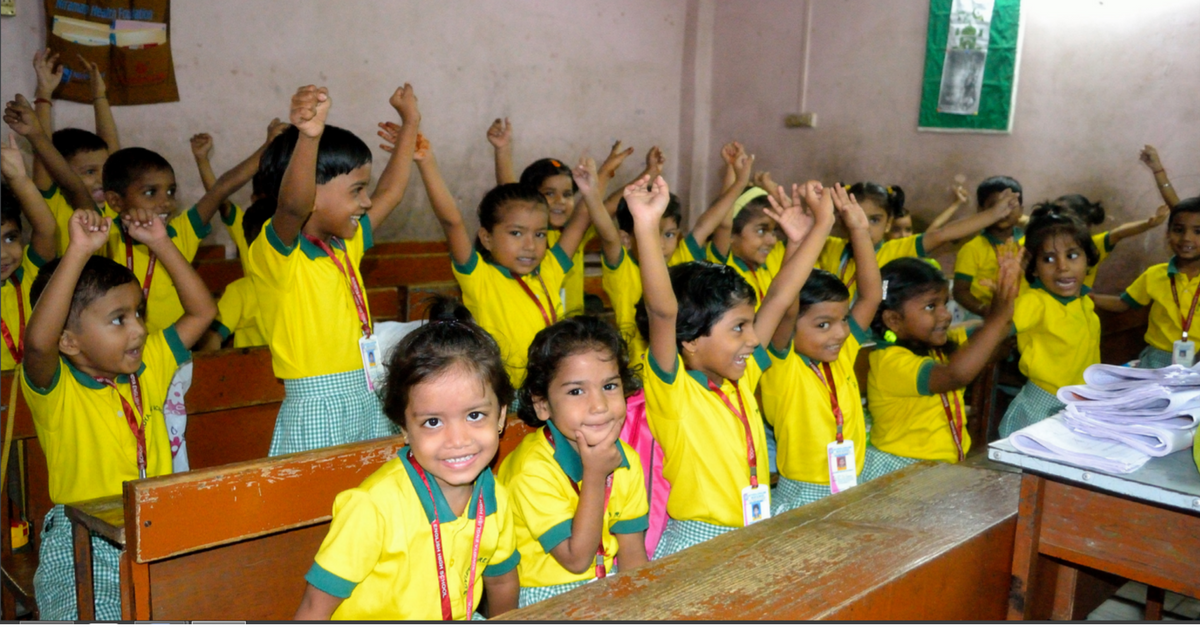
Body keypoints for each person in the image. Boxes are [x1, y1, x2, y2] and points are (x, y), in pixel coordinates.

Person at [20, 209, 215, 620]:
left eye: (139, 313)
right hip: (83, 545)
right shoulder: (57, 389)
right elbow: (38, 344)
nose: (140, 330)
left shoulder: (152, 364)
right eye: (118, 319)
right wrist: (77, 252)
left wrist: (162, 244)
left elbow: (202, 313)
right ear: (69, 341)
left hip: (157, 527)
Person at [634, 174, 832, 558]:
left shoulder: (738, 377)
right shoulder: (674, 392)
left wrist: (811, 233)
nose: (754, 339)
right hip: (699, 540)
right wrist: (645, 224)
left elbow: (780, 297)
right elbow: (662, 311)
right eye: (738, 327)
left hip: (750, 526)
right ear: (688, 339)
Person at [294, 300, 520, 620]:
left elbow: (502, 583)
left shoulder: (496, 496)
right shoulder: (372, 508)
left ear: (501, 417)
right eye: (432, 422)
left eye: (474, 415)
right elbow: (315, 609)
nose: (457, 440)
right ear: (404, 428)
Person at [247, 84, 421, 455]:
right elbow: (293, 207)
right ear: (311, 191)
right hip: (317, 408)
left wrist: (411, 123)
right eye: (356, 190)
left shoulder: (344, 245)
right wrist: (309, 137)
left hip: (366, 393)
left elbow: (390, 193)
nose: (367, 201)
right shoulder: (279, 257)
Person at [417, 131, 589, 388]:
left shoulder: (549, 270)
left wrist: (592, 188)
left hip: (552, 388)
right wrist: (426, 161)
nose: (530, 245)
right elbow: (451, 222)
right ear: (486, 238)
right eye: (516, 233)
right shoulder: (480, 279)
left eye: (540, 234)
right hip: (507, 394)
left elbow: (581, 221)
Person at [498, 316, 649, 606]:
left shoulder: (625, 459)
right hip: (546, 598)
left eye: (609, 386)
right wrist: (594, 476)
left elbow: (632, 554)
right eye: (576, 391)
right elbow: (576, 559)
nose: (599, 406)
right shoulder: (531, 471)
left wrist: (643, 608)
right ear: (542, 404)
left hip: (607, 584)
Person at [760, 186, 881, 512]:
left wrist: (859, 230)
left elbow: (870, 297)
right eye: (823, 324)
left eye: (842, 320)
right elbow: (783, 303)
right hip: (803, 496)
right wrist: (805, 239)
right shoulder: (780, 364)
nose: (841, 332)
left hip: (852, 484)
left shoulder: (841, 356)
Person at [868, 250, 1021, 471]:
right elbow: (956, 375)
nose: (946, 315)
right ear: (893, 319)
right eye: (931, 306)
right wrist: (996, 321)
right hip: (902, 470)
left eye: (945, 304)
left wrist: (1005, 293)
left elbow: (997, 332)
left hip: (938, 468)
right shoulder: (889, 362)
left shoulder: (938, 346)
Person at [997, 208, 1101, 437]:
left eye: (1072, 256)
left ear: (1088, 259)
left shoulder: (1084, 302)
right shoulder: (1035, 302)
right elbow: (997, 329)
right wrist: (1002, 295)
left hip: (1077, 405)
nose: (1062, 266)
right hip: (1040, 408)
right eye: (1048, 259)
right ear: (1033, 267)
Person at [820, 181, 1021, 299]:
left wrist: (994, 214)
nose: (864, 226)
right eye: (855, 217)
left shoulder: (898, 250)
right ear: (841, 221)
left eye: (874, 220)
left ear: (889, 223)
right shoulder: (829, 247)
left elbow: (943, 233)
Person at [1093, 197, 1200, 369]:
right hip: (1158, 358)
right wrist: (1090, 297)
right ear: (1167, 234)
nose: (1186, 238)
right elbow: (1123, 303)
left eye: (1198, 232)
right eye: (1178, 230)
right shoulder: (1155, 275)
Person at [30, 49, 119, 255]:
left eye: (103, 170)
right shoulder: (53, 204)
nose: (102, 179)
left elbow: (111, 150)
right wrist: (44, 93)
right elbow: (42, 149)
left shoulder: (112, 204)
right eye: (89, 172)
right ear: (58, 173)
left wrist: (99, 95)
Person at [1, 135, 56, 370]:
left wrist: (19, 179)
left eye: (10, 238)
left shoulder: (31, 274)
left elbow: (46, 228)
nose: (3, 254)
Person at [1052, 193, 1168, 289]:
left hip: (1077, 307)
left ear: (1085, 224)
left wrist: (1148, 224)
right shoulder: (1044, 245)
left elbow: (1119, 233)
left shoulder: (1094, 246)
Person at [953, 176, 1027, 316]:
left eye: (1011, 205)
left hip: (1023, 313)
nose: (1004, 211)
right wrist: (988, 311)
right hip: (982, 314)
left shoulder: (1030, 244)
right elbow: (960, 292)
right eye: (994, 206)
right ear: (981, 210)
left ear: (1021, 211)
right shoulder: (972, 249)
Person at [887, 184, 969, 241]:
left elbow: (936, 224)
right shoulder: (880, 252)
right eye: (896, 230)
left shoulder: (913, 248)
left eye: (908, 230)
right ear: (886, 229)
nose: (903, 235)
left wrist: (958, 203)